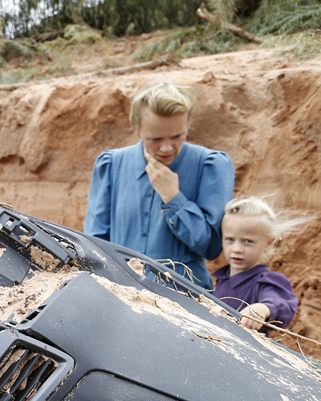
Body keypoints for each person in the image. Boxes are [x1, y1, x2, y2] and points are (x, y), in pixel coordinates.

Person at [84, 82, 234, 290]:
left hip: (186, 299)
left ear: (188, 125)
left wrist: (174, 198)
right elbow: (94, 244)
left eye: (177, 136)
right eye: (155, 139)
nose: (166, 148)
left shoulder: (210, 165)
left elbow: (210, 248)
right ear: (137, 130)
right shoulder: (111, 165)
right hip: (122, 293)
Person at [213, 196, 301, 335]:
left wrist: (264, 308)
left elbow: (284, 305)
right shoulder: (223, 278)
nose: (237, 249)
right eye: (230, 239)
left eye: (247, 241)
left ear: (268, 243)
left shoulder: (265, 281)